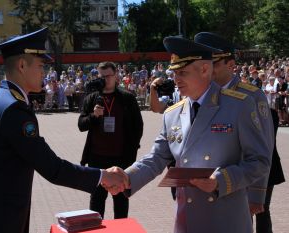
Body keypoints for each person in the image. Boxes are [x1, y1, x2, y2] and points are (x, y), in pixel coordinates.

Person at [0, 28, 128, 233]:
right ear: (22, 65)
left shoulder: (5, 99)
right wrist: (103, 176)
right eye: (41, 66)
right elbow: (52, 167)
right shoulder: (13, 108)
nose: (44, 72)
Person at [110, 36, 272, 233]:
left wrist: (220, 181)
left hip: (225, 218)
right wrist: (127, 177)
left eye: (183, 73)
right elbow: (156, 157)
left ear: (204, 70)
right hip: (186, 218)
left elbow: (260, 161)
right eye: (175, 73)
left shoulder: (239, 105)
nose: (176, 79)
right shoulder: (172, 113)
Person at [194, 32, 275, 216]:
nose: (206, 69)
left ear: (230, 65)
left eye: (213, 63)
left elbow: (264, 148)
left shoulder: (253, 96)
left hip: (239, 184)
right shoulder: (199, 95)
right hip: (204, 186)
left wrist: (257, 194)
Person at [78, 61, 143, 219]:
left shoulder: (127, 98)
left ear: (116, 76)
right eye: (102, 76)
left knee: (121, 199)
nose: (105, 79)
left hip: (120, 159)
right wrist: (94, 116)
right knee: (97, 200)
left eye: (109, 76)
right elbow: (81, 125)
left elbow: (138, 127)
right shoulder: (92, 98)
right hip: (96, 158)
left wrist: (131, 155)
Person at [255, 108, 285, 233]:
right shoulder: (270, 112)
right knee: (261, 210)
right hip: (267, 167)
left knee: (261, 209)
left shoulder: (269, 113)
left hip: (265, 167)